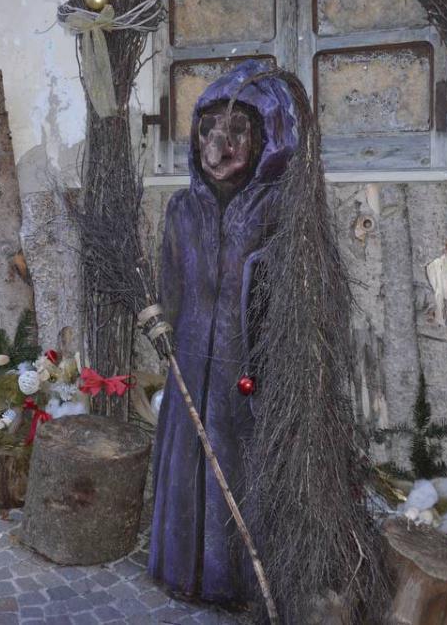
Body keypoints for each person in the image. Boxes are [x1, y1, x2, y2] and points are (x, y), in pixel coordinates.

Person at [148, 59, 300, 607]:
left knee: (237, 464)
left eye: (236, 131)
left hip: (246, 367)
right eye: (209, 131)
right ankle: (180, 567)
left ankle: (234, 580)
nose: (219, 147)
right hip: (190, 359)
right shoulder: (182, 209)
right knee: (186, 464)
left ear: (265, 137)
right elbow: (171, 281)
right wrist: (161, 324)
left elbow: (288, 295)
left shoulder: (279, 209)